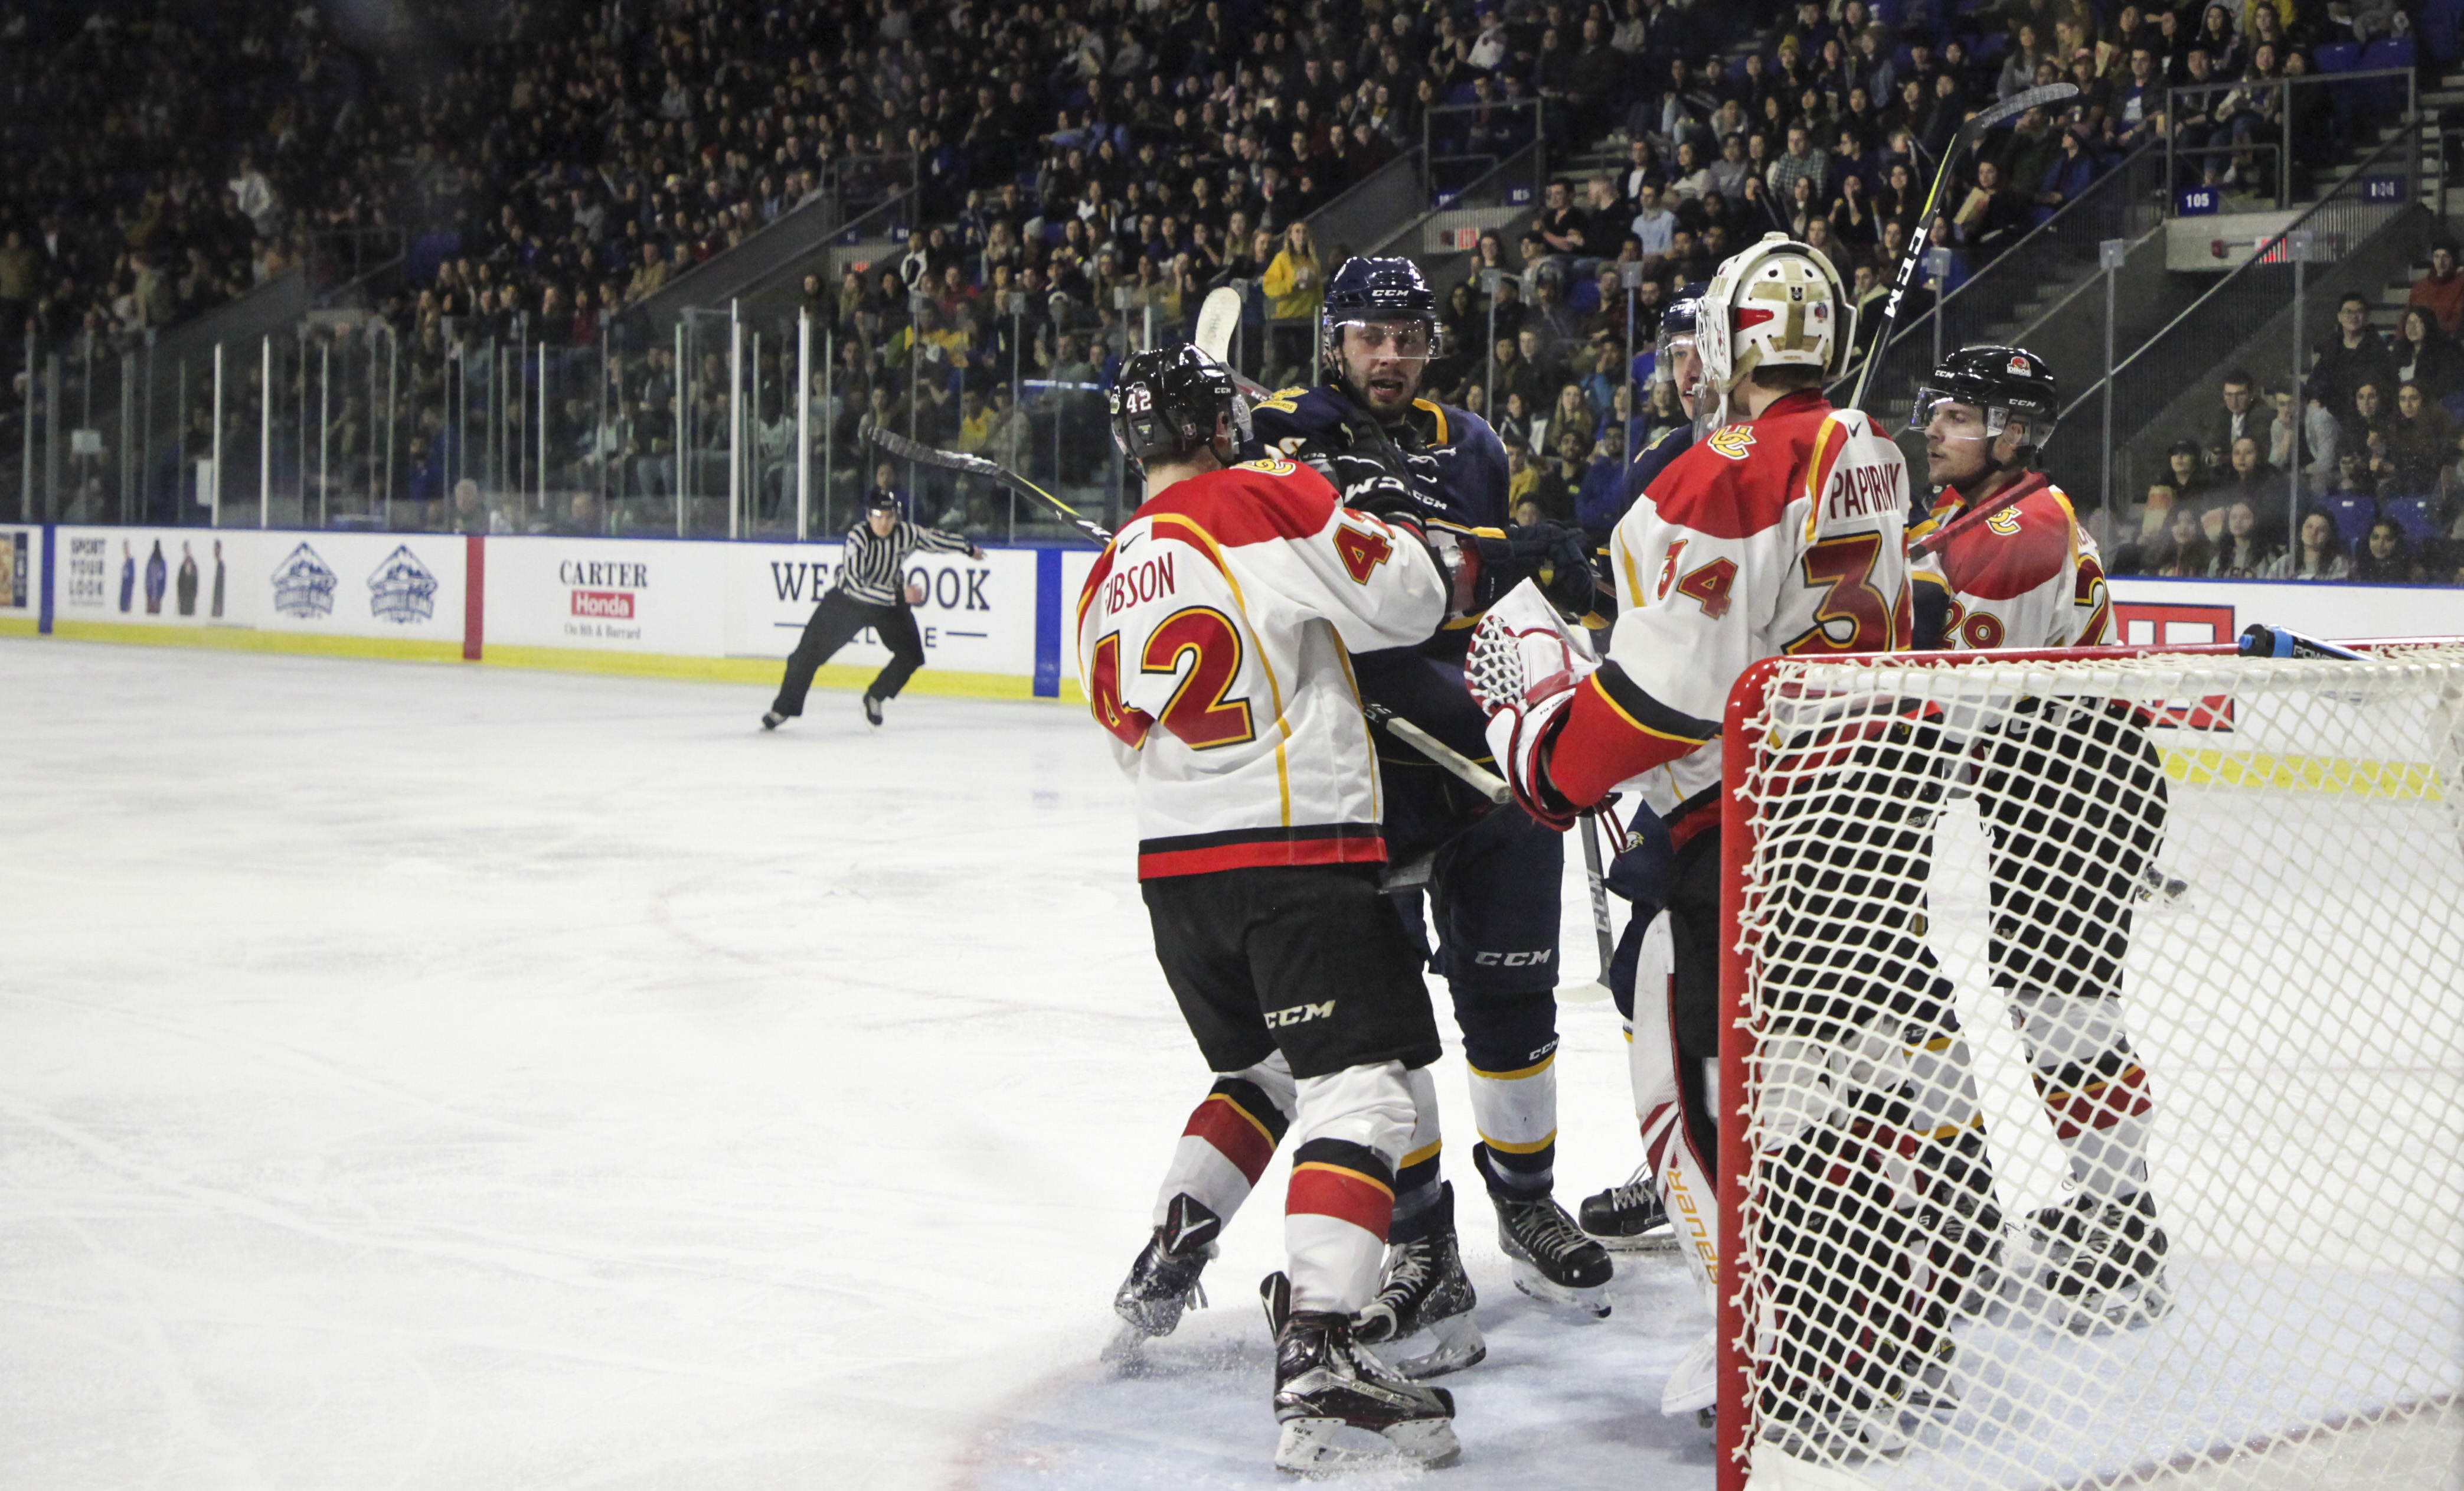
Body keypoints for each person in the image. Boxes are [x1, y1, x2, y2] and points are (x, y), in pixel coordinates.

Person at [1466, 232, 1910, 1423]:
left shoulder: (1714, 470)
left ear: (1730, 339)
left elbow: (1666, 693)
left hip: (1745, 836)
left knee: (1697, 1109)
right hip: (1867, 815)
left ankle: (1779, 1358)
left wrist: (1547, 757)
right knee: (1817, 1101)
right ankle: (1871, 1331)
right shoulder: (1867, 446)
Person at [1081, 344, 1461, 1474]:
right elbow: (1410, 598)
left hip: (1173, 872)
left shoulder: (1113, 561)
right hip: (1293, 858)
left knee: (1262, 1074)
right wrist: (1371, 508)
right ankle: (1322, 1355)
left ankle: (1170, 1251)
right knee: (1368, 1097)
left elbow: (1120, 734)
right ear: (1216, 423)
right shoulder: (1258, 494)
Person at [1247, 256, 1619, 1340]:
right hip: (1354, 773)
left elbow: (1478, 596)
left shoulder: (1474, 444)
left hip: (1476, 756)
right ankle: (1420, 1243)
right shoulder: (1287, 430)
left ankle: (1526, 1204)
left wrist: (1540, 589)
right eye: (1369, 336)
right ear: (1333, 340)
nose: (1389, 357)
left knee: (1510, 997)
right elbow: (1358, 571)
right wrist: (1497, 551)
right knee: (1387, 1027)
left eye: (1406, 338)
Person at [759, 491, 983, 730]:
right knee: (805, 656)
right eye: (878, 517)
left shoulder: (906, 533)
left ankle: (876, 696)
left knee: (912, 655)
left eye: (889, 517)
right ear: (868, 516)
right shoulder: (858, 538)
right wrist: (899, 596)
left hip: (888, 605)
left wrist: (967, 548)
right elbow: (857, 584)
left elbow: (934, 539)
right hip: (848, 603)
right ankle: (783, 709)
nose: (884, 523)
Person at [2262, 506, 2351, 579]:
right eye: (2309, 527)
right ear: (2301, 531)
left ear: (2329, 536)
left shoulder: (2338, 564)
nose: (2313, 533)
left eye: (2321, 530)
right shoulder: (2284, 563)